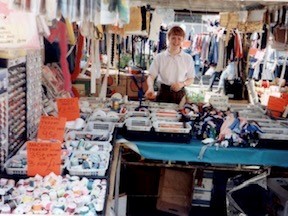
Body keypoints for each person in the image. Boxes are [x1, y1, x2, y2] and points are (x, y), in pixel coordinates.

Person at [144, 25, 195, 104]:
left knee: (180, 115)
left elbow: (191, 79)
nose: (176, 41)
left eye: (179, 39)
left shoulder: (188, 58)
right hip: (163, 92)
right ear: (168, 38)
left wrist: (182, 84)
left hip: (180, 93)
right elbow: (151, 76)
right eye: (173, 38)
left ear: (183, 40)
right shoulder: (160, 57)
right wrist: (150, 88)